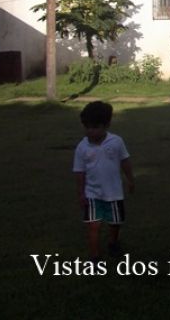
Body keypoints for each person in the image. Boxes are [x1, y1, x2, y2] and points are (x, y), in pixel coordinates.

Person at [73, 101, 135, 261]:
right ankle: (94, 256)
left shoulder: (116, 142)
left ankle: (113, 243)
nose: (90, 131)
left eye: (95, 127)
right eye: (87, 127)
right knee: (94, 226)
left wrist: (130, 179)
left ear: (106, 125)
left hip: (114, 193)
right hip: (92, 194)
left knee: (115, 222)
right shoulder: (82, 147)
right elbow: (79, 172)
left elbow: (125, 161)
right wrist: (81, 194)